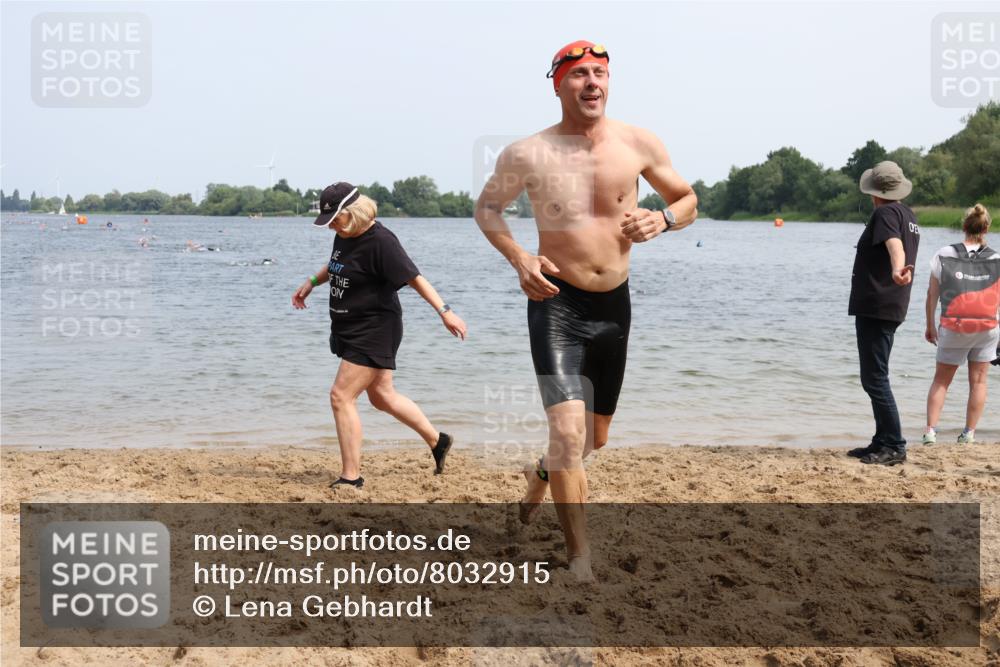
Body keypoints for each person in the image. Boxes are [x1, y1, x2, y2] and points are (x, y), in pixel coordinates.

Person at [474, 41, 697, 580]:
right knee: (570, 435)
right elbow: (487, 209)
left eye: (600, 73)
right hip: (556, 302)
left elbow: (687, 199)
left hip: (614, 307)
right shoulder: (527, 153)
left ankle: (540, 479)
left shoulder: (639, 142)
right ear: (558, 84)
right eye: (578, 75)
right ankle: (580, 559)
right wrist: (520, 258)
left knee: (593, 439)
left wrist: (662, 221)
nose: (591, 83)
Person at [292, 182, 467, 488]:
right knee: (382, 397)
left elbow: (415, 279)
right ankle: (438, 441)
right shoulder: (344, 234)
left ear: (354, 212)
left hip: (375, 329)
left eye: (336, 219)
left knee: (341, 396)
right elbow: (337, 266)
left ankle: (351, 477)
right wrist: (311, 281)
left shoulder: (382, 242)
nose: (333, 226)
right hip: (350, 327)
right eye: (329, 221)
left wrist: (445, 312)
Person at [847, 161, 921, 465]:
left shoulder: (884, 213)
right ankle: (881, 439)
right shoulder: (908, 215)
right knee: (875, 376)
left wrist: (895, 269)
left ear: (875, 192)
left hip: (878, 304)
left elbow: (895, 245)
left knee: (875, 378)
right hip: (890, 304)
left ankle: (894, 444)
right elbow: (899, 242)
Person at [922, 204, 998, 445]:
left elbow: (931, 295)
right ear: (986, 228)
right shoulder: (997, 258)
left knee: (941, 380)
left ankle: (931, 432)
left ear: (964, 226)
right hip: (987, 327)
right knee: (979, 381)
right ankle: (969, 434)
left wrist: (930, 325)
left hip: (953, 327)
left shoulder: (944, 253)